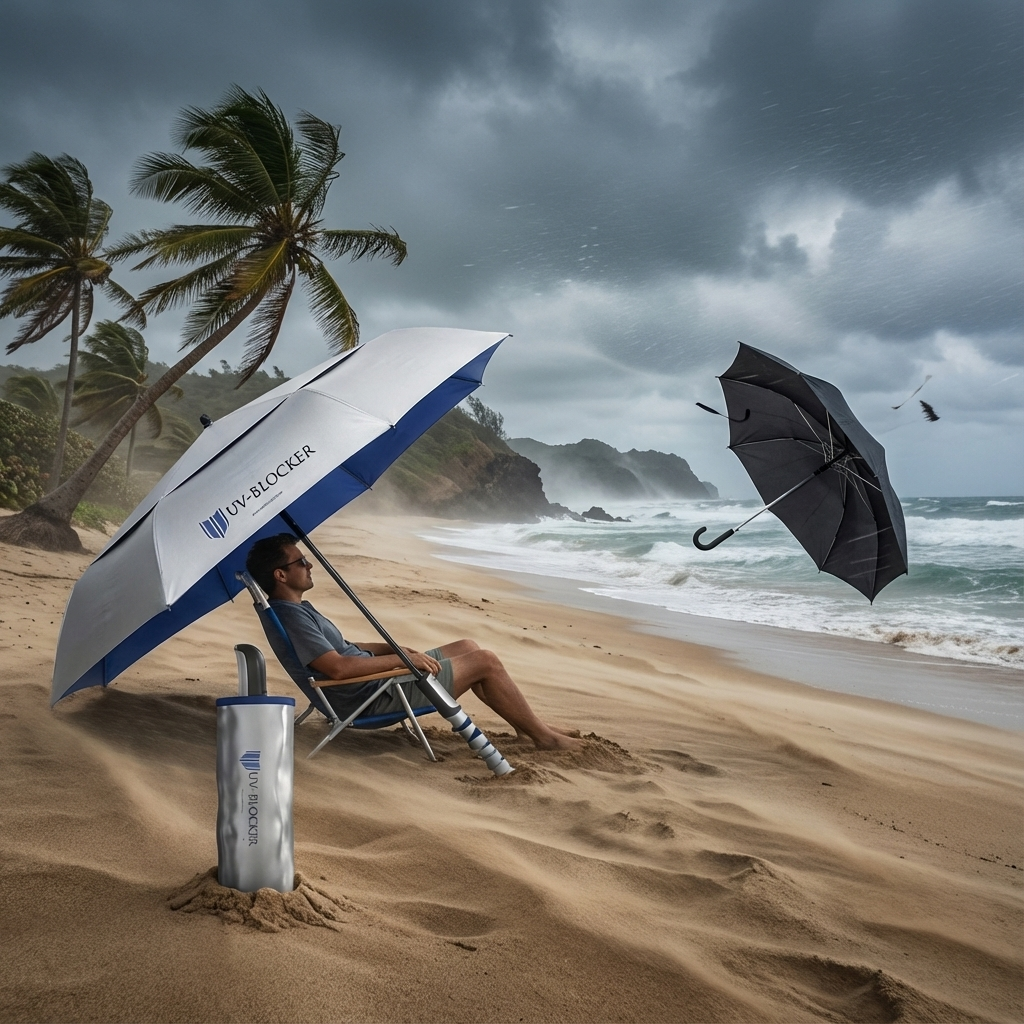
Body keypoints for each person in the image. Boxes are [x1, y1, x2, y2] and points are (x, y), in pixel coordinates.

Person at [245, 534, 579, 751]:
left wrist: (395, 649)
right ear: (280, 574)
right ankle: (544, 738)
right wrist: (401, 663)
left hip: (379, 680)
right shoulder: (292, 616)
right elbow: (338, 666)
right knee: (485, 662)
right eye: (300, 561)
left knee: (467, 646)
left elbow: (346, 647)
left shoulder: (297, 609)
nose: (309, 564)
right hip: (372, 695)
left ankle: (528, 727)